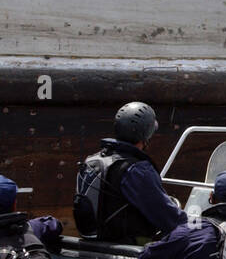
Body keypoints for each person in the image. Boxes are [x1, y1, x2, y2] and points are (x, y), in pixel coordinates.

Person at [73, 101, 186, 244]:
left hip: (93, 243)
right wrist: (199, 225)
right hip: (128, 247)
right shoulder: (137, 170)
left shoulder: (92, 160)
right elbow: (170, 219)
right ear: (146, 136)